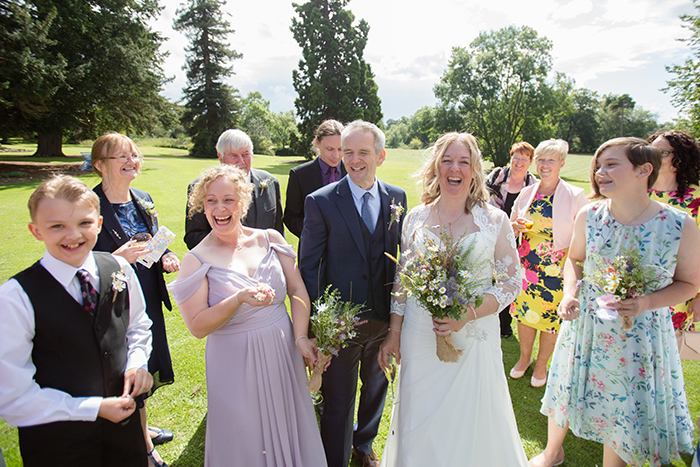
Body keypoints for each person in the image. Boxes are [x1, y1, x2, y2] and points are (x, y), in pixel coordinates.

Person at [530, 137, 700, 467]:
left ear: (643, 170)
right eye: (598, 164)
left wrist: (646, 302)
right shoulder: (589, 215)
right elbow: (574, 260)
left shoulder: (680, 224)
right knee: (565, 386)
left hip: (641, 335)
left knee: (625, 405)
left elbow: (690, 284)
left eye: (611, 164)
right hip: (586, 324)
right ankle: (552, 452)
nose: (599, 171)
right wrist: (569, 294)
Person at [377, 132, 528, 466]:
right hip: (420, 333)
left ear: (474, 170)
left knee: (469, 417)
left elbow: (511, 281)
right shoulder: (415, 217)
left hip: (473, 335)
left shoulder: (494, 220)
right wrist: (394, 332)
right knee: (421, 416)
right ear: (436, 167)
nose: (454, 168)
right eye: (447, 160)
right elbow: (403, 278)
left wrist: (467, 315)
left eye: (463, 161)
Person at [168, 165, 326, 466]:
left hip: (282, 353)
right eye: (211, 201)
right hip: (233, 364)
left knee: (289, 425)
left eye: (228, 199)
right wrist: (238, 299)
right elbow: (198, 326)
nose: (219, 208)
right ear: (202, 205)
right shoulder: (196, 259)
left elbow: (297, 290)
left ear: (243, 202)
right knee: (243, 438)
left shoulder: (270, 239)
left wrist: (302, 337)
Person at [0, 175, 153, 467]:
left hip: (125, 438)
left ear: (98, 223)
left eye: (84, 223)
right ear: (36, 231)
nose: (73, 235)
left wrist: (138, 362)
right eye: (57, 226)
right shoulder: (15, 298)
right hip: (59, 446)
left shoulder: (118, 267)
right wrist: (94, 408)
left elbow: (137, 325)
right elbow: (14, 400)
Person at [299, 120, 407, 467]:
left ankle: (363, 445)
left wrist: (396, 322)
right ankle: (334, 458)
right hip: (341, 327)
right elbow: (310, 267)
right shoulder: (321, 201)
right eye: (348, 152)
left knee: (375, 391)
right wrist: (320, 325)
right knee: (339, 400)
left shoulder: (397, 199)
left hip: (382, 322)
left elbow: (400, 260)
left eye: (363, 152)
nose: (354, 159)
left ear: (381, 155)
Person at [91, 133, 179, 467]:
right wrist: (117, 257)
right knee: (127, 367)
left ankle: (142, 425)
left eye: (135, 155)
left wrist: (166, 253)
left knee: (148, 361)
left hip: (148, 295)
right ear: (100, 164)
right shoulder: (90, 203)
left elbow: (152, 239)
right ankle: (142, 445)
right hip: (113, 301)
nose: (132, 162)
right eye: (122, 157)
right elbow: (81, 261)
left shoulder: (142, 198)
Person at [508, 139, 587, 388]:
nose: (544, 165)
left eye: (550, 160)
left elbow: (584, 236)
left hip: (556, 268)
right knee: (524, 315)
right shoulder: (526, 192)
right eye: (541, 159)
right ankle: (524, 359)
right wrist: (514, 226)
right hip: (526, 266)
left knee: (550, 319)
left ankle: (541, 365)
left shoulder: (575, 196)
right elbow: (510, 224)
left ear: (561, 163)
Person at [184, 129, 283, 249]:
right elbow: (193, 236)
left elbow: (278, 231)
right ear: (221, 158)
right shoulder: (201, 187)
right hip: (222, 264)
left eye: (245, 155)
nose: (241, 161)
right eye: (234, 155)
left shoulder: (270, 182)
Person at [647, 130, 700, 330]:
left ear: (680, 158)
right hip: (634, 284)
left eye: (663, 153)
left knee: (668, 354)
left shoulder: (696, 198)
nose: (655, 157)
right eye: (651, 152)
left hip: (680, 286)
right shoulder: (635, 192)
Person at [486, 141, 537, 337]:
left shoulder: (532, 184)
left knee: (509, 276)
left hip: (519, 235)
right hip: (494, 229)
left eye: (524, 159)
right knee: (490, 275)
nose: (519, 162)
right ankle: (488, 316)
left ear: (530, 162)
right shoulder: (498, 176)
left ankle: (504, 325)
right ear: (510, 158)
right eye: (516, 157)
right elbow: (483, 197)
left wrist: (516, 226)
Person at [284, 119, 347, 238]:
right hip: (313, 251)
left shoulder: (353, 173)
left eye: (340, 149)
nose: (336, 155)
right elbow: (290, 217)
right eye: (330, 149)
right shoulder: (299, 175)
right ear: (317, 143)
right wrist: (313, 234)